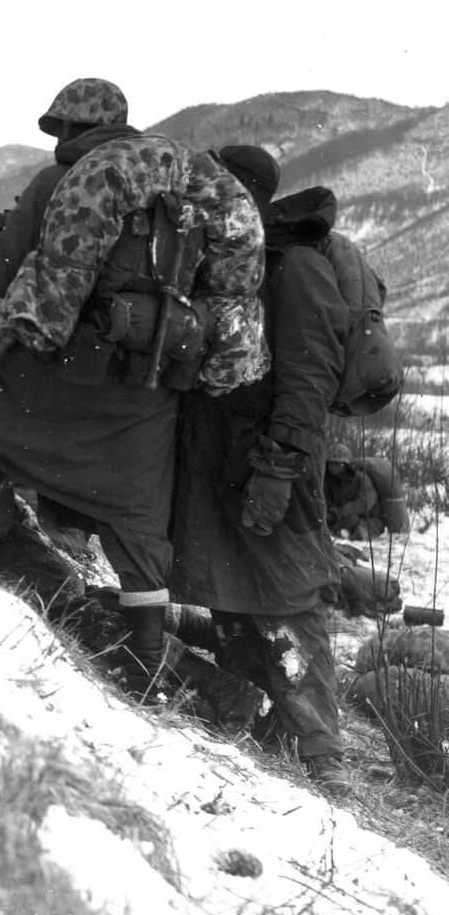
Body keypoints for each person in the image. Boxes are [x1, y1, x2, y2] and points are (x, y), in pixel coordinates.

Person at [0, 119, 269, 696]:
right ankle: (146, 664)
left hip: (62, 370)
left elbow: (8, 277)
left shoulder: (68, 182)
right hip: (144, 391)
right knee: (140, 526)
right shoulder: (201, 197)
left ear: (73, 131)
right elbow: (228, 303)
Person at [169, 146, 352, 794]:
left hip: (273, 464)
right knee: (231, 593)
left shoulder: (295, 268)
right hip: (219, 463)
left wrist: (279, 468)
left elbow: (309, 380)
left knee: (289, 598)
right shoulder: (222, 261)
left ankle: (324, 757)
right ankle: (268, 723)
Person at [0, 78, 139, 297]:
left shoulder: (59, 182)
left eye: (60, 130)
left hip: (82, 328)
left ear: (69, 127)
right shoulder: (152, 182)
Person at [324, 441, 410, 540]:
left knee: (359, 534)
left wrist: (338, 513)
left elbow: (364, 503)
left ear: (346, 465)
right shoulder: (329, 481)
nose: (333, 468)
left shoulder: (361, 479)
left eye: (337, 464)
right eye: (331, 464)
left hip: (370, 521)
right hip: (345, 519)